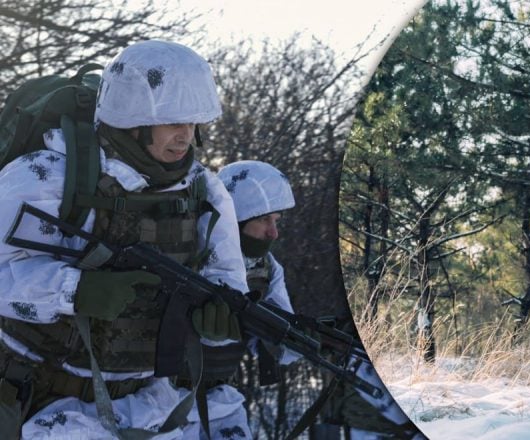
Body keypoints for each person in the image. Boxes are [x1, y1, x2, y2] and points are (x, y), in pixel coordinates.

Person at [0, 40, 252, 439]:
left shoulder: (203, 191)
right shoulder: (48, 175)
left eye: (193, 123)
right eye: (173, 122)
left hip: (147, 408)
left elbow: (228, 279)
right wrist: (73, 291)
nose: (186, 135)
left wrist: (219, 318)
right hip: (42, 403)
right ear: (132, 119)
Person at [217, 160, 422, 439]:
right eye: (264, 220)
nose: (273, 233)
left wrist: (313, 337)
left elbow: (283, 347)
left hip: (219, 398)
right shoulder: (194, 259)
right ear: (237, 217)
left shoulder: (265, 268)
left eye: (276, 221)